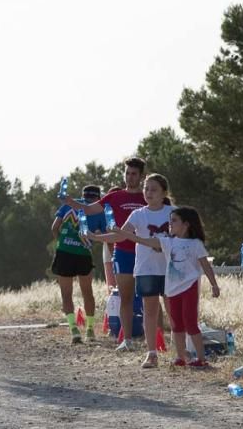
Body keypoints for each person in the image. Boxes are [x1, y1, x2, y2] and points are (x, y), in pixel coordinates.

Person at [96, 206, 221, 367]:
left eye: (174, 221)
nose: (170, 224)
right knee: (176, 324)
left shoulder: (196, 244)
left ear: (186, 224)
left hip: (189, 287)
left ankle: (201, 359)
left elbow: (205, 265)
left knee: (190, 323)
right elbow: (141, 240)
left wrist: (214, 284)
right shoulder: (168, 242)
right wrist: (120, 232)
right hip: (172, 289)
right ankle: (181, 357)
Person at [92, 174, 175, 368]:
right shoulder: (138, 214)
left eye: (154, 189)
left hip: (170, 269)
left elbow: (183, 237)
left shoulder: (173, 212)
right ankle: (152, 353)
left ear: (164, 192)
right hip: (145, 268)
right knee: (149, 311)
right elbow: (120, 235)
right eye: (146, 189)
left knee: (173, 311)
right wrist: (96, 237)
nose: (148, 193)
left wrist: (165, 244)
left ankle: (180, 351)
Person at [65, 158, 147, 351]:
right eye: (127, 173)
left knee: (150, 298)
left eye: (134, 173)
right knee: (125, 298)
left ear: (141, 176)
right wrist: (70, 202)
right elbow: (88, 209)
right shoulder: (115, 197)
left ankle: (157, 339)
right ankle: (126, 340)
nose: (129, 177)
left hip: (146, 253)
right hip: (123, 252)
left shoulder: (148, 196)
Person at [51, 185, 105, 344]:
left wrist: (61, 243)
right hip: (83, 254)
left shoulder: (68, 204)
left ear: (83, 194)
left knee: (66, 293)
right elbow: (102, 235)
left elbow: (54, 228)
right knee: (87, 292)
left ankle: (74, 329)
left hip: (64, 253)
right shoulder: (98, 211)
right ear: (98, 197)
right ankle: (89, 330)